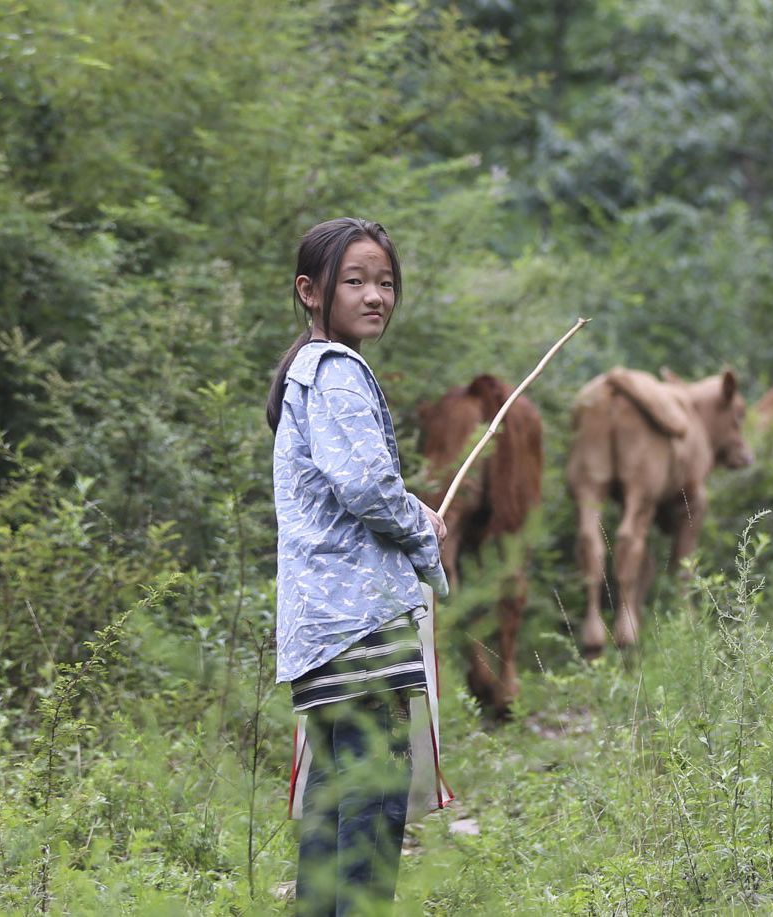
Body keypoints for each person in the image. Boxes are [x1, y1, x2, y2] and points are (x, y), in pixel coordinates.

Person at [266, 217, 449, 915]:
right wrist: (422, 532)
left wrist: (407, 504)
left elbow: (354, 482)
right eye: (356, 281)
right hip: (360, 623)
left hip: (319, 630)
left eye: (386, 282)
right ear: (311, 292)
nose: (377, 295)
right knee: (371, 807)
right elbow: (368, 487)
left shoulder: (305, 373)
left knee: (332, 803)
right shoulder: (339, 372)